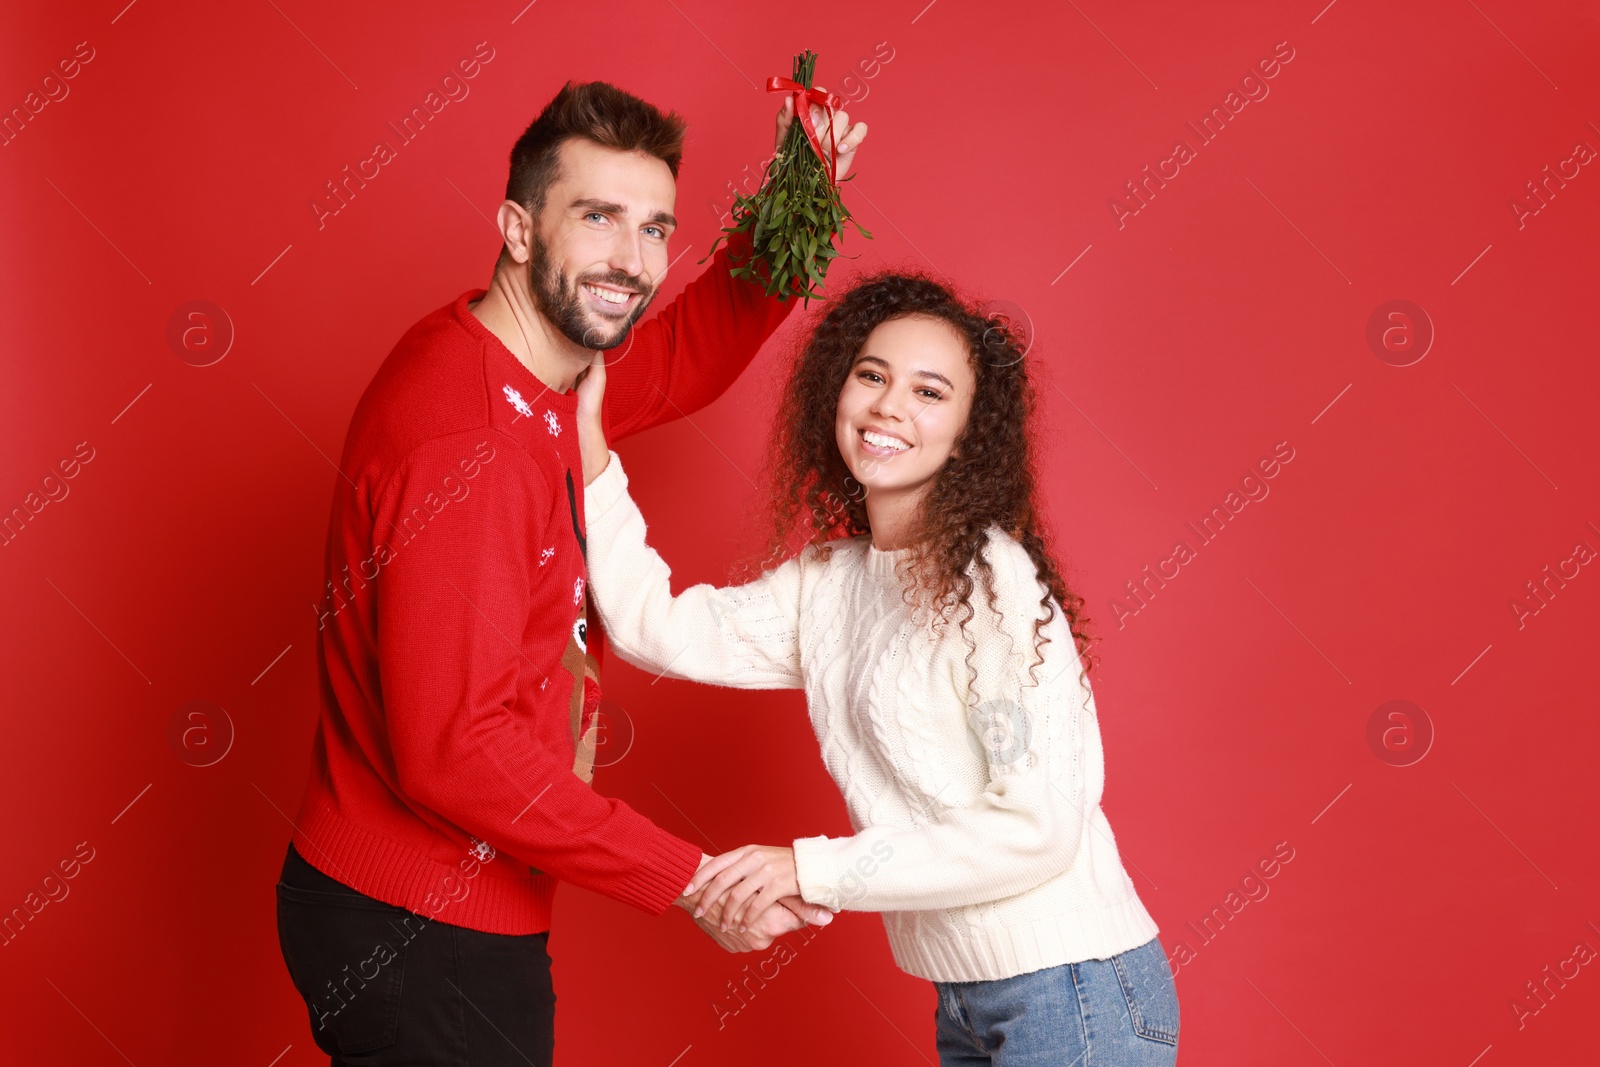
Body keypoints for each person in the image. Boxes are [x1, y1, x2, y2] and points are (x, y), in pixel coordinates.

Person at [274, 80, 867, 1066]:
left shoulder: (527, 370)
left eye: (653, 228)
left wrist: (793, 207)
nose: (631, 261)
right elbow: (453, 749)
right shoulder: (473, 444)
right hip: (418, 929)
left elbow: (682, 354)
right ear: (517, 227)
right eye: (597, 218)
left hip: (437, 911)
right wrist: (686, 876)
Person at [575, 272, 1180, 1065]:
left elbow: (1040, 827)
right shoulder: (831, 583)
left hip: (1076, 993)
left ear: (968, 433)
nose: (890, 405)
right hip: (968, 999)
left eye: (930, 391)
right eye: (872, 375)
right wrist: (588, 450)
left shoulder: (990, 583)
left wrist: (809, 867)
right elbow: (663, 631)